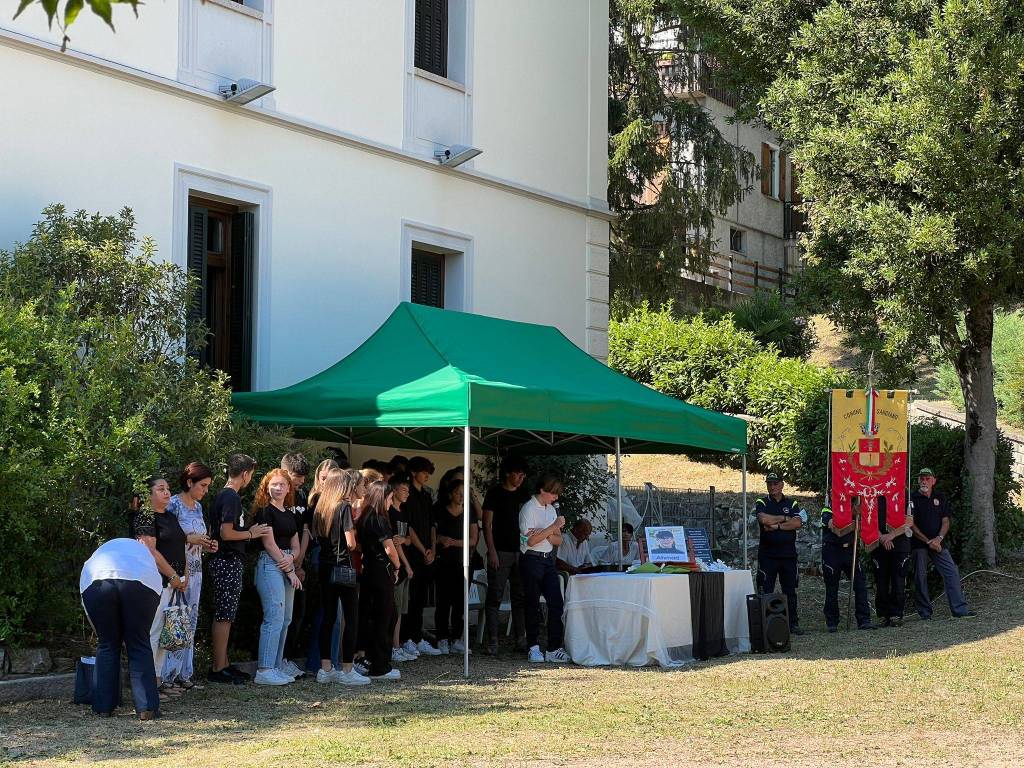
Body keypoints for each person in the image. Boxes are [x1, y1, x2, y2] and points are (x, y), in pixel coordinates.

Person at [80, 536, 163, 720]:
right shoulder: (143, 554)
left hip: (96, 581)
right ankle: (146, 707)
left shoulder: (99, 554)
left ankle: (103, 707)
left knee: (107, 643)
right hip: (142, 581)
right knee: (138, 642)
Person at [207, 453, 268, 684]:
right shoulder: (230, 497)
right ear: (245, 474)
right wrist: (252, 533)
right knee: (224, 614)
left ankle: (223, 664)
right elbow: (226, 532)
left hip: (226, 560)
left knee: (227, 613)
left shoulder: (226, 495)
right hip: (226, 559)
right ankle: (218, 666)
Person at [131, 477, 188, 700]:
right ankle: (148, 686)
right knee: (153, 633)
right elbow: (150, 551)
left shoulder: (170, 516)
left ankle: (158, 681)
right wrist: (173, 575)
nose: (167, 492)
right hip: (155, 582)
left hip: (174, 582)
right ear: (149, 494)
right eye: (161, 489)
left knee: (165, 634)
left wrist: (184, 576)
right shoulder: (145, 516)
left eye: (168, 489)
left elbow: (180, 545)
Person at [313, 469, 369, 685]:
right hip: (344, 567)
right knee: (350, 617)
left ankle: (325, 668)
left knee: (328, 618)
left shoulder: (322, 506)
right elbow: (351, 542)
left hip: (325, 567)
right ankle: (347, 669)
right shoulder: (343, 506)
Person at [164, 462, 217, 688]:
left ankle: (184, 674)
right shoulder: (173, 504)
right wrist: (189, 539)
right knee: (174, 619)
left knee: (190, 621)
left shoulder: (197, 507)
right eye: (203, 485)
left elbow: (198, 537)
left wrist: (207, 545)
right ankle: (166, 676)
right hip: (177, 570)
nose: (205, 490)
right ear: (189, 482)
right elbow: (165, 536)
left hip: (196, 570)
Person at [252, 468, 303, 685]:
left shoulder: (290, 514)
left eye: (282, 484)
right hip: (270, 565)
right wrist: (289, 567)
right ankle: (264, 670)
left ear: (289, 488)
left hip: (285, 563)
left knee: (286, 618)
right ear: (267, 487)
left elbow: (297, 545)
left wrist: (291, 559)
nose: (278, 488)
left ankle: (276, 665)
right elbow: (269, 544)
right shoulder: (265, 511)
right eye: (274, 484)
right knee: (274, 616)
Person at [909, 468, 976, 619]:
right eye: (921, 479)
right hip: (919, 543)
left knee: (951, 571)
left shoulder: (940, 497)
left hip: (938, 543)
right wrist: (927, 541)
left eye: (927, 478)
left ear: (934, 480)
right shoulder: (912, 498)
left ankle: (960, 610)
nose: (924, 481)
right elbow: (910, 524)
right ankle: (925, 613)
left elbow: (946, 521)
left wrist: (938, 539)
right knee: (920, 576)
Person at [519, 472, 571, 663]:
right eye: (553, 493)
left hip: (548, 559)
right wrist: (551, 528)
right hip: (531, 559)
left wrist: (546, 532)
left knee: (556, 602)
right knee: (532, 603)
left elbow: (558, 539)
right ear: (542, 490)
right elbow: (531, 540)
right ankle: (533, 646)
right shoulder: (528, 509)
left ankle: (553, 647)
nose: (556, 498)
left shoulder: (551, 510)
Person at [482, 456, 530, 655]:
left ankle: (521, 640)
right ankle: (493, 641)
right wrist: (491, 550)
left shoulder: (525, 495)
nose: (520, 478)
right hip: (500, 551)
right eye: (518, 474)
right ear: (508, 473)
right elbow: (487, 525)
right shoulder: (494, 494)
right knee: (495, 596)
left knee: (520, 597)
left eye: (523, 475)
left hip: (521, 551)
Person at [357, 481, 404, 680]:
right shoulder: (379, 519)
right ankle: (380, 665)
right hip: (381, 570)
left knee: (374, 615)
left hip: (368, 569)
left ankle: (370, 659)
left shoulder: (364, 517)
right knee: (385, 616)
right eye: (390, 497)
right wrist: (398, 565)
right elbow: (389, 548)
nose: (391, 501)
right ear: (382, 497)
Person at [399, 456, 443, 656]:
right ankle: (407, 638)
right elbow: (409, 527)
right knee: (411, 598)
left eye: (428, 472)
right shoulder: (408, 494)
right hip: (412, 554)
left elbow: (433, 525)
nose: (426, 475)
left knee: (421, 599)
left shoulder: (426, 495)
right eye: (423, 471)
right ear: (413, 471)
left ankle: (417, 637)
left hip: (427, 553)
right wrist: (422, 549)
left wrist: (432, 548)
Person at [754, 472, 807, 635]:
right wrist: (785, 518)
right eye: (769, 484)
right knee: (766, 591)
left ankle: (793, 624)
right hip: (768, 556)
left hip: (788, 556)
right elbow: (764, 520)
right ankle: (766, 625)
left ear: (782, 485)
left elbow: (798, 522)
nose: (772, 487)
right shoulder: (761, 501)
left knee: (790, 591)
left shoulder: (792, 502)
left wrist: (776, 525)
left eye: (775, 483)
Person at [432, 477, 479, 655]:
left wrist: (454, 543)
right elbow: (431, 535)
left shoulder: (470, 511)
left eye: (464, 494)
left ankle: (457, 638)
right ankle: (442, 638)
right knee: (443, 602)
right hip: (443, 562)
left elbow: (474, 539)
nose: (461, 497)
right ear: (450, 494)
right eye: (458, 493)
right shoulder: (439, 510)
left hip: (463, 562)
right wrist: (440, 540)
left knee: (460, 603)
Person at [303, 458, 342, 672]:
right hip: (322, 556)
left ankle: (330, 662)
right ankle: (321, 662)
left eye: (329, 478)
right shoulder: (316, 498)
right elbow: (311, 531)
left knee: (332, 615)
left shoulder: (333, 500)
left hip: (327, 556)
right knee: (327, 614)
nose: (325, 481)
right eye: (322, 477)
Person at [821, 497, 874, 632]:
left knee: (860, 584)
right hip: (832, 551)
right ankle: (832, 622)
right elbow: (834, 526)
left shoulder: (855, 506)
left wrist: (856, 518)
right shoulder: (828, 507)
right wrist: (852, 517)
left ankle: (864, 620)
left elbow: (864, 525)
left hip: (850, 550)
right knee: (832, 587)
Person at [280, 452, 310, 676]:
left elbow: (304, 529)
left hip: (298, 559)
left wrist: (300, 562)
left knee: (296, 614)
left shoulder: (301, 496)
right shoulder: (277, 495)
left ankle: (288, 657)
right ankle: (278, 659)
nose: (300, 480)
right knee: (279, 615)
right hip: (280, 560)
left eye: (303, 477)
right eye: (296, 475)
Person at [388, 474, 419, 663]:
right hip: (396, 565)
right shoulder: (389, 513)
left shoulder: (404, 512)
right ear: (394, 491)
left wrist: (406, 540)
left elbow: (406, 538)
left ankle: (397, 644)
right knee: (395, 609)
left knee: (400, 610)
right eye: (404, 490)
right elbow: (394, 542)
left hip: (405, 561)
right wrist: (406, 565)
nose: (407, 493)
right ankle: (393, 646)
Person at [873, 494, 913, 627]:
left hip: (900, 545)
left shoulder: (905, 495)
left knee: (898, 581)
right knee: (881, 581)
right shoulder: (873, 495)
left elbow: (909, 521)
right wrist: (881, 538)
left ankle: (896, 614)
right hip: (879, 545)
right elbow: (868, 519)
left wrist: (891, 535)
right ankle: (883, 615)